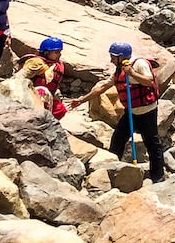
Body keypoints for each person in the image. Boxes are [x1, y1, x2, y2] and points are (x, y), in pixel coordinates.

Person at [69, 42, 165, 183]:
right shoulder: (119, 70)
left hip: (147, 111)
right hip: (131, 111)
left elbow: (149, 81)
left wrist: (131, 73)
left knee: (152, 143)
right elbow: (102, 87)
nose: (111, 60)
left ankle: (158, 176)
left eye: (113, 57)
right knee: (118, 139)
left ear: (121, 57)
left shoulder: (139, 64)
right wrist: (81, 100)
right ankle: (112, 169)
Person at [16, 36, 68, 119]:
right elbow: (19, 78)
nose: (59, 54)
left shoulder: (56, 65)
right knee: (42, 91)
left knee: (60, 109)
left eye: (60, 52)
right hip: (30, 95)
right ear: (46, 52)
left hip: (48, 97)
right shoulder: (36, 63)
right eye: (56, 52)